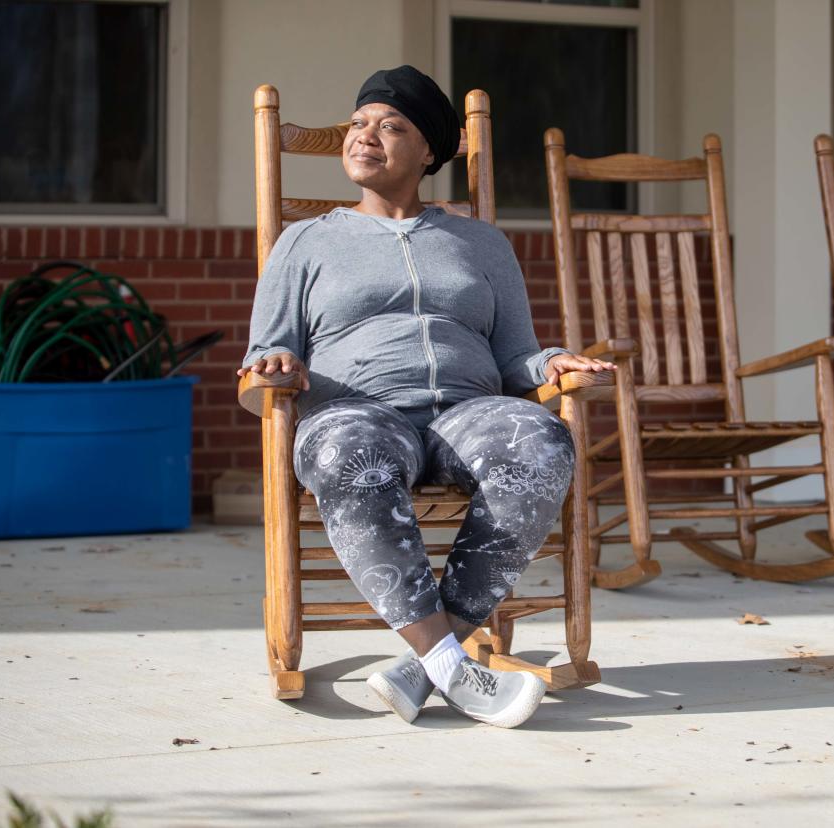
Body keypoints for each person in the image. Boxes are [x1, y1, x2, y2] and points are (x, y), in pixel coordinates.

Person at [238, 66, 613, 728]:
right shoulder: (306, 241)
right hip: (357, 411)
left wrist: (554, 359)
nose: (365, 136)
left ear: (430, 152)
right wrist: (275, 363)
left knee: (542, 442)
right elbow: (263, 355)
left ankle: (428, 664)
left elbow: (514, 355)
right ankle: (454, 664)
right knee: (352, 456)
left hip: (469, 412)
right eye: (359, 123)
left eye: (392, 126)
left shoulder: (481, 244)